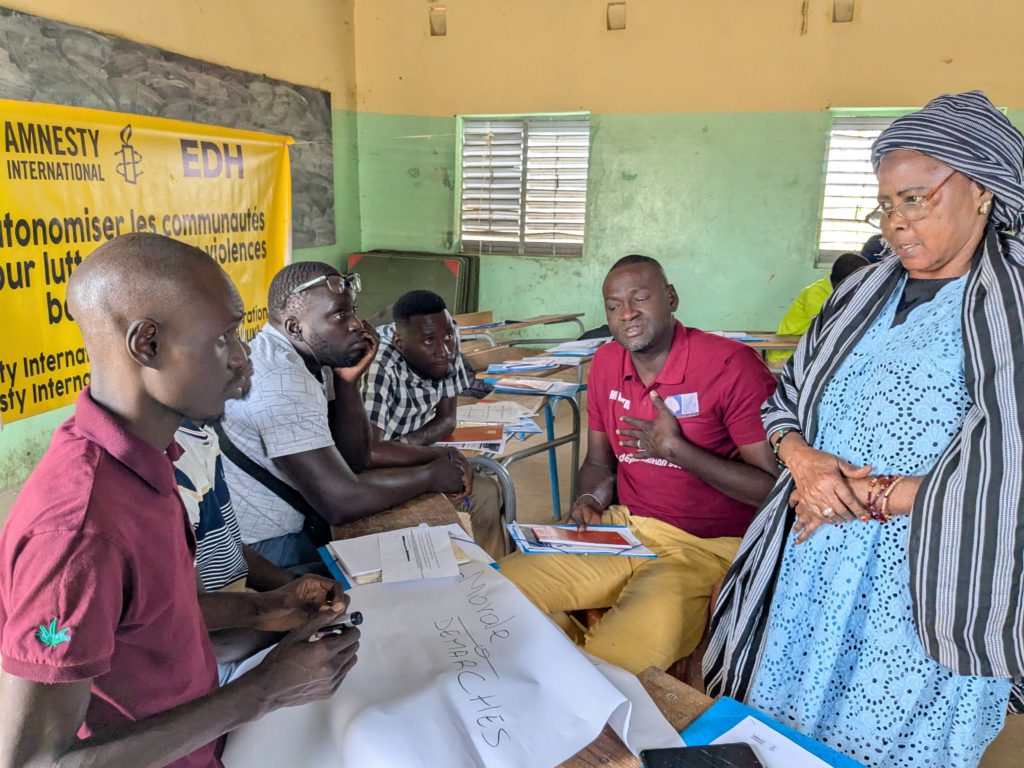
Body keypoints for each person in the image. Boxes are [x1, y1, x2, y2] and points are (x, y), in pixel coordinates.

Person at [705, 91, 1024, 768]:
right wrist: (806, 464)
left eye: (916, 199)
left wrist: (870, 498)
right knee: (783, 730)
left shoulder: (1013, 304)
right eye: (886, 204)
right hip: (813, 553)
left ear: (984, 191)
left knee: (885, 743)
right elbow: (784, 398)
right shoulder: (860, 294)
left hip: (925, 582)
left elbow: (1011, 462)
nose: (897, 222)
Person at [0, 234, 359, 767]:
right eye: (223, 339)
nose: (243, 360)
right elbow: (35, 762)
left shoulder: (147, 459)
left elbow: (151, 612)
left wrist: (264, 607)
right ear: (147, 345)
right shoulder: (78, 532)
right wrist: (261, 692)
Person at [500, 255, 778, 675]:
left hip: (702, 549)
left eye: (640, 299)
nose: (626, 313)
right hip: (621, 529)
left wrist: (676, 450)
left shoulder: (730, 366)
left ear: (671, 298)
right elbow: (597, 462)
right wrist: (589, 497)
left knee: (616, 659)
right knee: (494, 594)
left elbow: (772, 489)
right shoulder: (607, 363)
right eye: (613, 306)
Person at [219, 262, 466, 571]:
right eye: (339, 316)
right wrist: (429, 476)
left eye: (353, 311)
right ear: (296, 327)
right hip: (264, 550)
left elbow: (354, 458)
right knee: (413, 569)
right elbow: (341, 501)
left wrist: (346, 383)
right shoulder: (280, 379)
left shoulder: (314, 358)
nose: (356, 325)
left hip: (305, 521)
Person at [362, 289, 505, 560]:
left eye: (448, 337)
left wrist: (407, 448)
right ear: (400, 342)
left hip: (406, 454)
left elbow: (447, 419)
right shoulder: (379, 364)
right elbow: (369, 452)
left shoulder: (446, 339)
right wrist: (439, 457)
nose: (444, 351)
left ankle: (496, 581)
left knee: (486, 491)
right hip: (370, 471)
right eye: (429, 341)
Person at [766, 253, 868, 362]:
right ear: (849, 281)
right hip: (787, 355)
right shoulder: (816, 293)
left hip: (807, 352)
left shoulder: (837, 291)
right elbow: (829, 329)